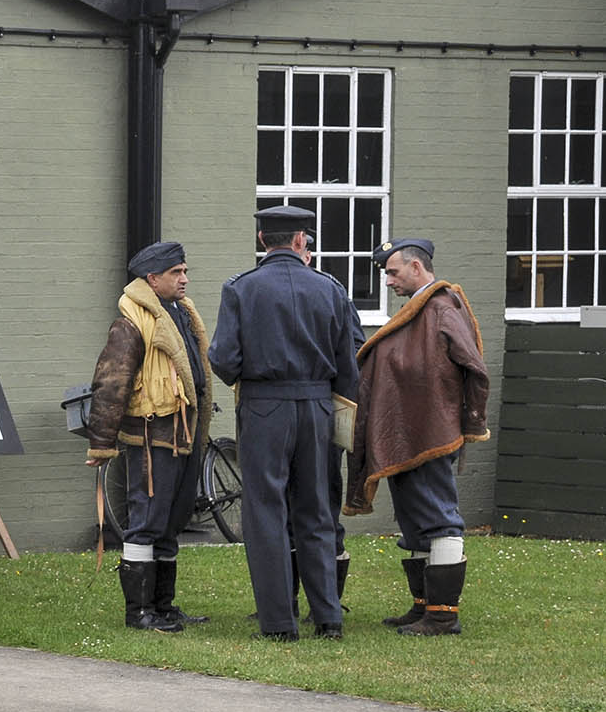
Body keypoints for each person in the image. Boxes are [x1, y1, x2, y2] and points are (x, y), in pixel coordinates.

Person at [208, 205, 362, 641]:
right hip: (316, 405)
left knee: (265, 512)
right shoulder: (331, 288)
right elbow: (347, 363)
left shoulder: (240, 288)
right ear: (300, 241)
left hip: (263, 407)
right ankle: (328, 618)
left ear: (263, 241)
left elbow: (223, 359)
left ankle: (278, 622)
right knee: (316, 510)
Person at [344, 237, 490, 637]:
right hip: (410, 434)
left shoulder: (441, 307)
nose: (388, 282)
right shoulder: (421, 309)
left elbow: (474, 369)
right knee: (416, 521)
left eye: (392, 272)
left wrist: (467, 422)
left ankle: (443, 616)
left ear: (415, 268)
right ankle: (424, 606)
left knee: (439, 519)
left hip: (431, 434)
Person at [84, 240, 215, 632]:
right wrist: (102, 443)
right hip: (150, 437)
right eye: (177, 273)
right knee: (146, 522)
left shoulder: (179, 315)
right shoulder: (129, 324)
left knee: (172, 521)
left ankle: (163, 606)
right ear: (152, 278)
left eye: (185, 271)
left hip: (182, 434)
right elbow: (110, 384)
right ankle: (138, 612)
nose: (185, 279)